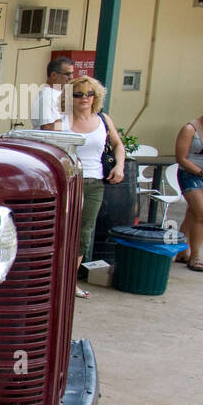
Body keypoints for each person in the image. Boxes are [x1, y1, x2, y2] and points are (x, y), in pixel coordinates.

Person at [62, 76, 124, 298]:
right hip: (68, 181)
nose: (84, 98)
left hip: (94, 181)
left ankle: (70, 281)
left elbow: (118, 145)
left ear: (96, 97)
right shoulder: (61, 121)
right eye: (78, 94)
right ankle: (57, 280)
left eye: (89, 94)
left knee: (84, 233)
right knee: (63, 230)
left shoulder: (103, 120)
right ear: (70, 97)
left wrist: (120, 166)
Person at [171, 93, 203, 272]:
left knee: (193, 214)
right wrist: (202, 173)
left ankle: (182, 251)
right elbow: (181, 158)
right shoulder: (190, 129)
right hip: (191, 174)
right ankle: (195, 256)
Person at [33, 56, 73, 130]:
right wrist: (74, 124)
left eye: (72, 73)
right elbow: (48, 128)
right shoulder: (48, 96)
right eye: (68, 74)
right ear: (54, 75)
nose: (71, 77)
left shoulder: (57, 93)